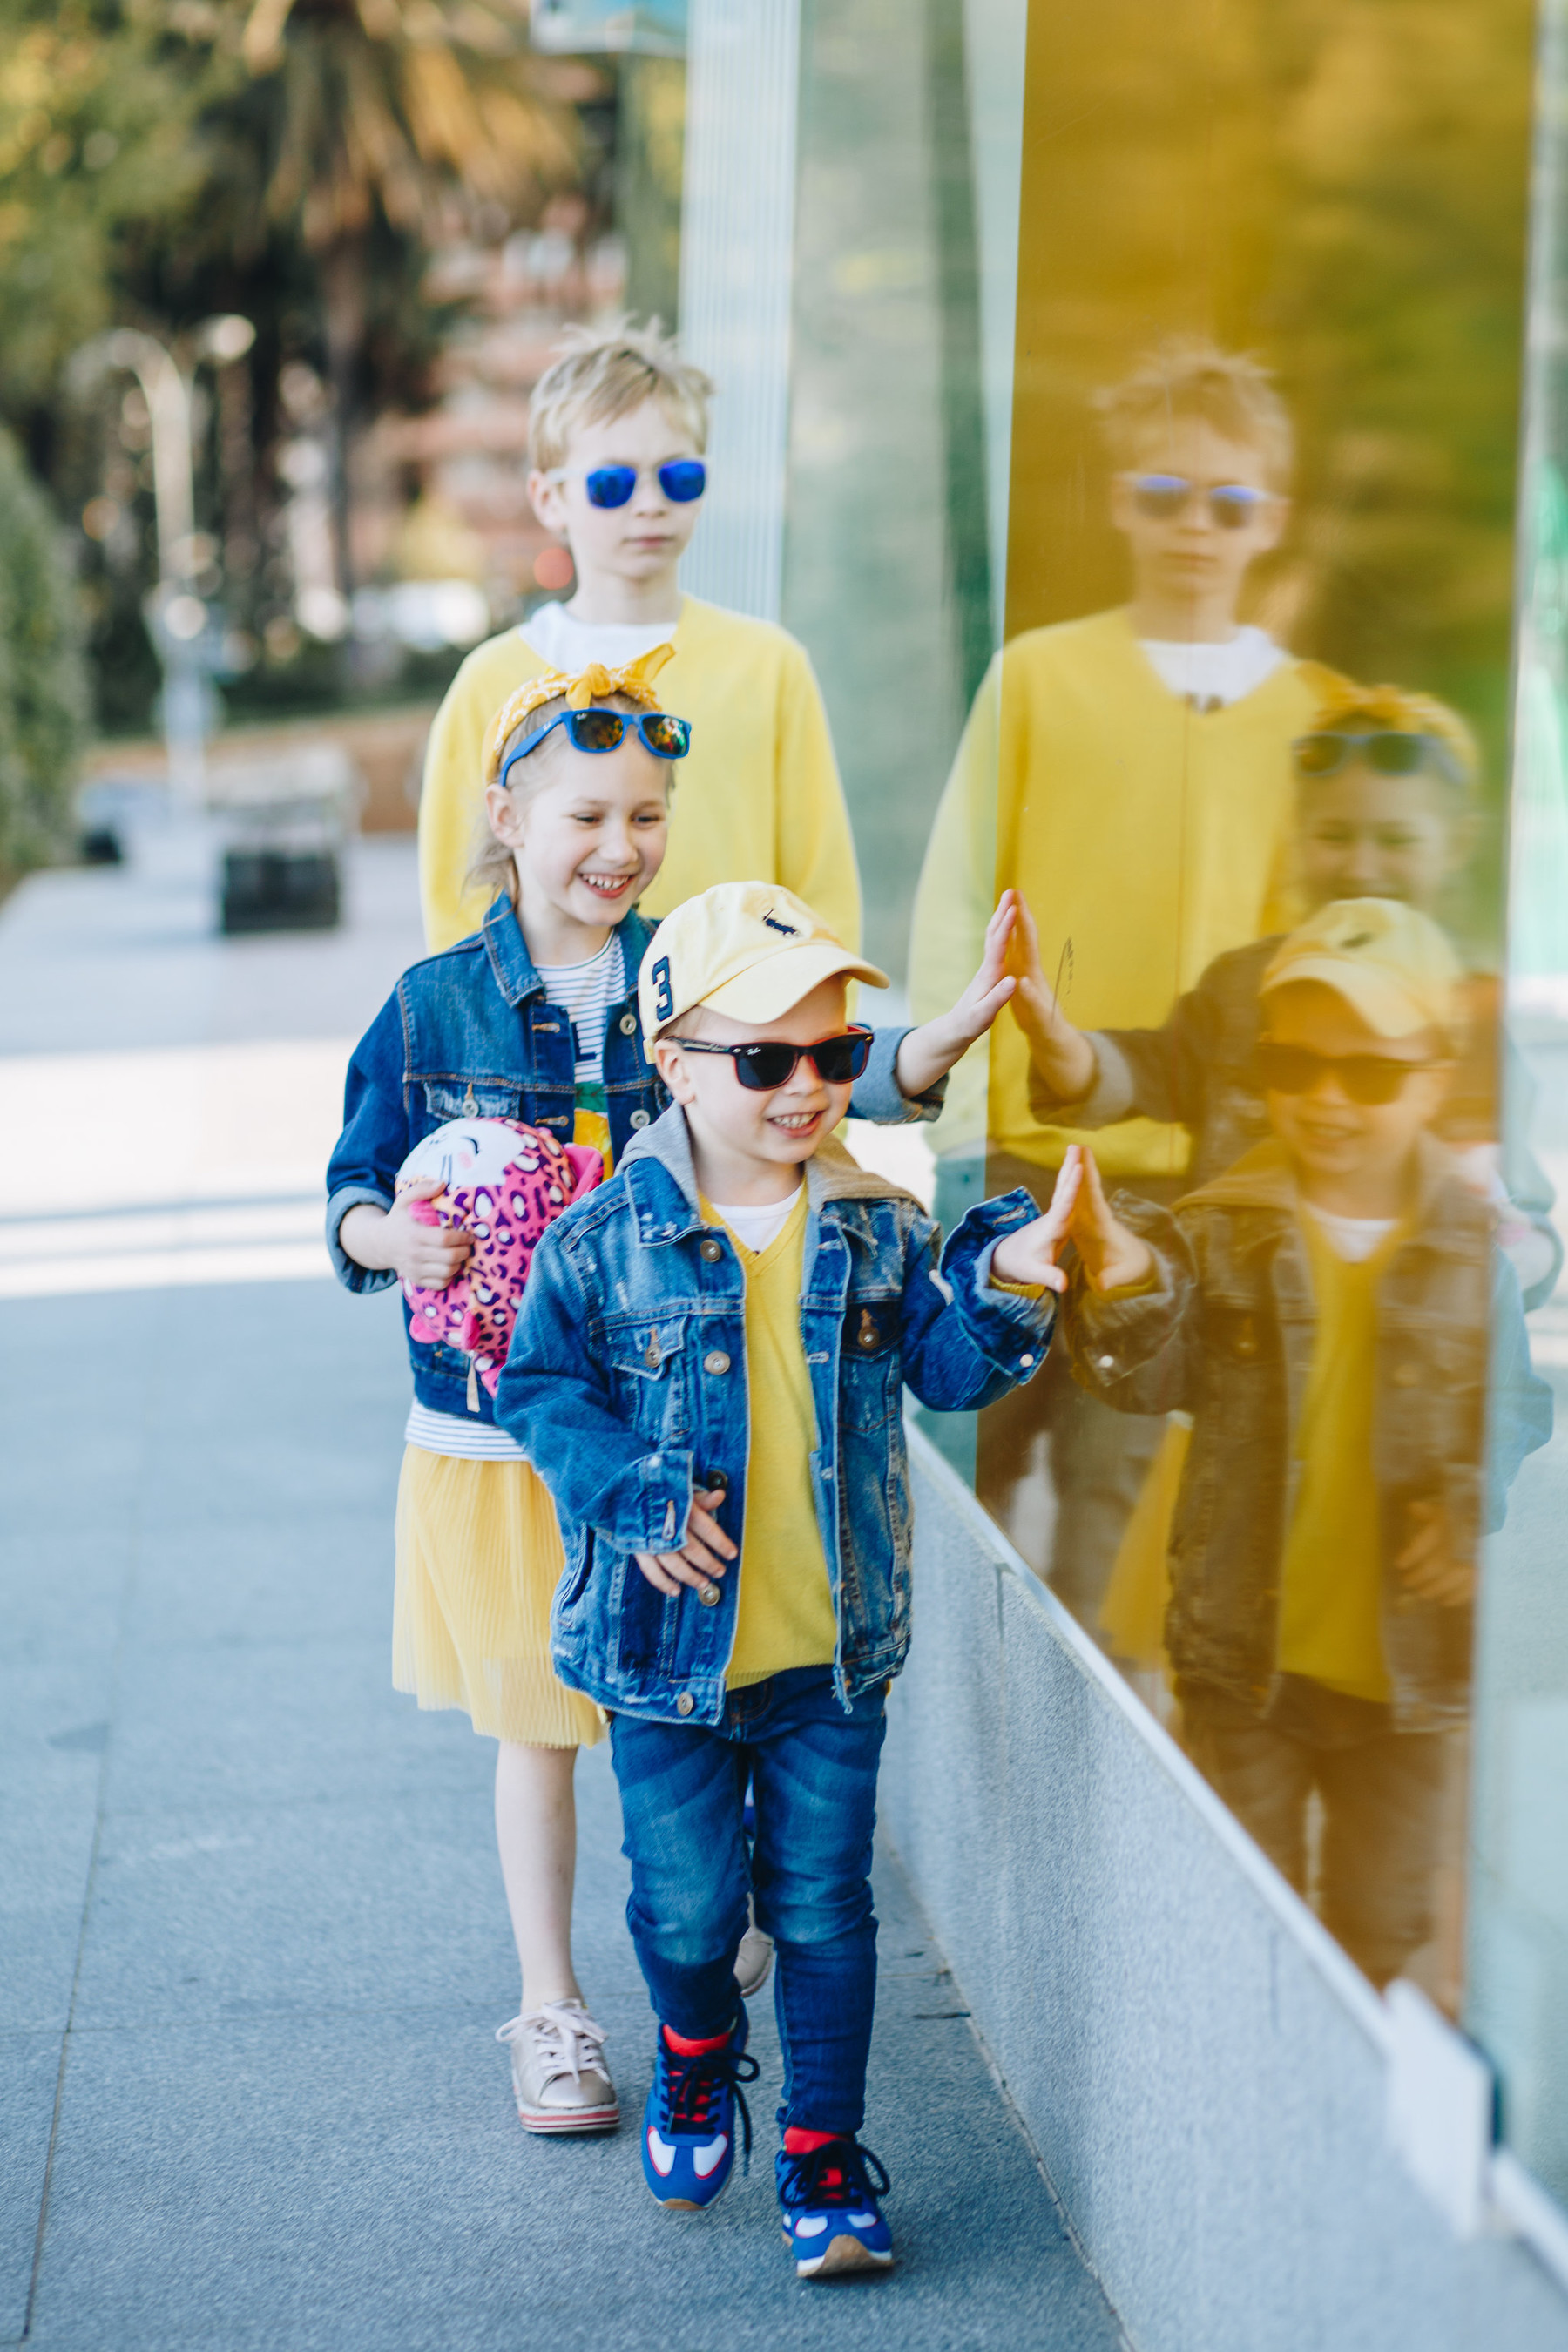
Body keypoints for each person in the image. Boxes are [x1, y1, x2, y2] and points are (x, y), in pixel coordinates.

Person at [325, 659, 1029, 2143]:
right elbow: (347, 1188)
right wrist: (392, 1240)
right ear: (507, 815)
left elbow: (799, 1066)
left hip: (680, 1430)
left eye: (647, 815)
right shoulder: (431, 1003)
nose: (622, 844)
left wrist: (934, 1046)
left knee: (673, 1707)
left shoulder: (681, 975)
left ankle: (697, 1944)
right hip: (498, 1428)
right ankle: (552, 2007)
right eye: (588, 812)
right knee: (538, 1716)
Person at [498, 882, 1078, 2276]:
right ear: (677, 1064)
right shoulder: (599, 1241)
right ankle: (696, 2044)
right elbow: (534, 1386)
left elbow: (942, 1372)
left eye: (832, 1054)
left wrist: (1017, 1276)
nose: (809, 1087)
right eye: (765, 1060)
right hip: (666, 1665)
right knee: (689, 1911)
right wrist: (632, 1492)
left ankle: (823, 2155)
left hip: (828, 1660)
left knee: (822, 1910)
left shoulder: (873, 1223)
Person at [1057, 899, 1552, 1987]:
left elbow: (1515, 1405)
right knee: (1249, 1917)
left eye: (1367, 1075)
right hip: (1247, 1661)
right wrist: (1129, 1279)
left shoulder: (1474, 1251)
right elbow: (1145, 1374)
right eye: (1295, 1065)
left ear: (1434, 1074)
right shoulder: (1225, 1225)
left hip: (1409, 1670)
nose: (1326, 1099)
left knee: (1384, 1926)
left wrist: (1469, 1506)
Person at [907, 339, 1328, 1612]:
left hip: (1185, 1195)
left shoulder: (1312, 716)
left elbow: (1310, 966)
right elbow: (957, 895)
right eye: (1163, 495)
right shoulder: (1040, 678)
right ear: (1117, 501)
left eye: (1228, 502)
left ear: (1273, 518)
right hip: (1021, 1157)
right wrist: (966, 1124)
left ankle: (1087, 1799)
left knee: (1116, 1524)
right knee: (964, 1479)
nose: (1194, 527)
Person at [1017, 679, 1562, 1304]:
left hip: (1398, 1366)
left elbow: (1532, 1241)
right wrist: (1060, 1043)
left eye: (1396, 841)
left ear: (1457, 844)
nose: (1361, 867)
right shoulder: (1239, 988)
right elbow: (1152, 1068)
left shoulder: (1474, 1012)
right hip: (1238, 1344)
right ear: (1299, 838)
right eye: (1335, 836)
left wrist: (1500, 1246)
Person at [417, 319, 860, 956]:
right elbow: (454, 906)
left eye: (677, 477)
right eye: (612, 484)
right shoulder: (489, 683)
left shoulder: (770, 667)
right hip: (547, 1049)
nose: (649, 503)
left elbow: (822, 890)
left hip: (737, 1042)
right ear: (548, 498)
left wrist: (807, 1041)